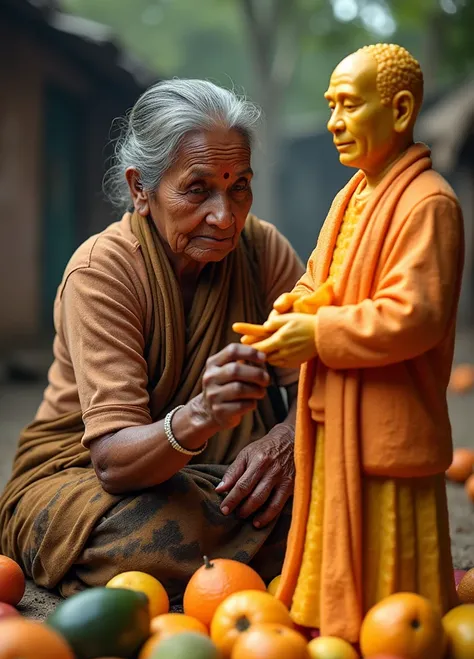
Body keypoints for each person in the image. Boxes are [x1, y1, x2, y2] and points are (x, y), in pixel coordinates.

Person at [0, 79, 304, 600]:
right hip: (88, 483)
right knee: (145, 532)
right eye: (197, 188)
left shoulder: (261, 252)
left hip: (234, 478)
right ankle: (281, 551)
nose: (225, 216)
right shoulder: (102, 273)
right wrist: (202, 414)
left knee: (359, 481)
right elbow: (113, 464)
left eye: (239, 187)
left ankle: (219, 564)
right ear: (142, 188)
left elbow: (321, 379)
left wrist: (287, 440)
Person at [235, 44, 464, 643]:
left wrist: (321, 334)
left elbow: (416, 315)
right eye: (330, 105)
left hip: (387, 411)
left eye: (349, 105)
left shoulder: (429, 203)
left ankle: (393, 637)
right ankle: (327, 620)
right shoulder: (350, 197)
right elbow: (322, 279)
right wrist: (293, 310)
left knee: (387, 537)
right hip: (336, 405)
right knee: (331, 519)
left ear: (401, 109)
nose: (334, 121)